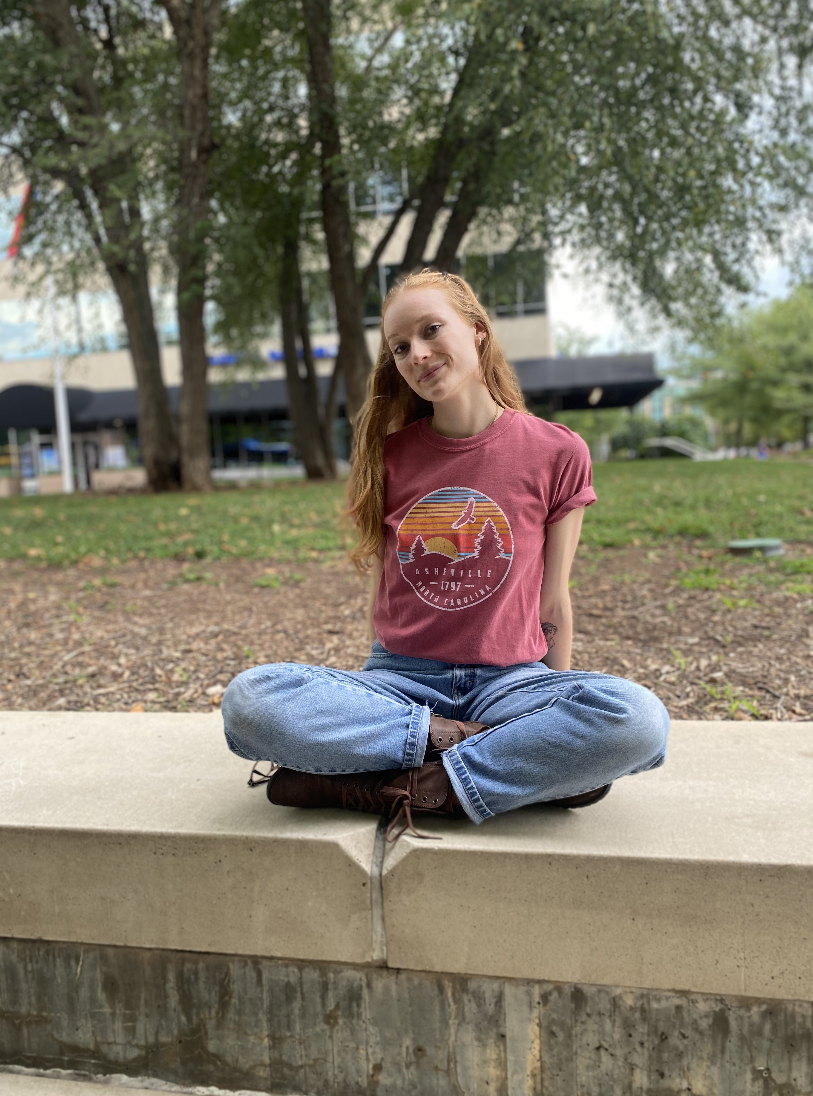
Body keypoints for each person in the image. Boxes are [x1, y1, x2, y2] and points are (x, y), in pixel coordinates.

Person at [222, 269, 669, 840]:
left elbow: (554, 598)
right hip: (401, 681)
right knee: (250, 701)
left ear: (478, 329)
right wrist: (541, 749)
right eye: (400, 347)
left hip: (510, 682)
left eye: (431, 330)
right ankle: (468, 754)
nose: (417, 354)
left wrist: (550, 711)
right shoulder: (387, 457)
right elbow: (381, 593)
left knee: (638, 720)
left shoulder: (557, 452)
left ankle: (396, 782)